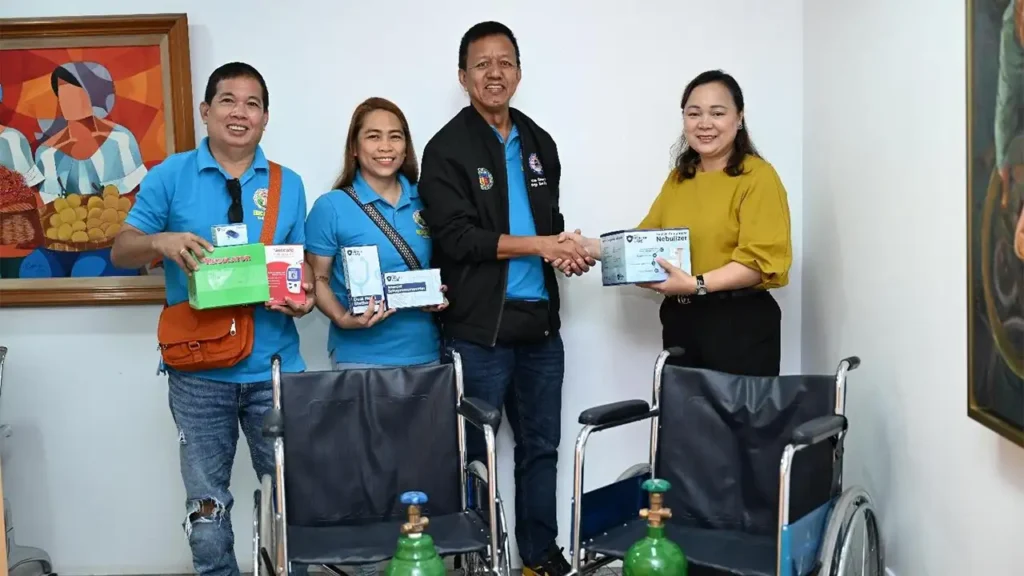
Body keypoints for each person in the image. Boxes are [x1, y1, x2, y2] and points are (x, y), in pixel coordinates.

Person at [110, 62, 315, 576]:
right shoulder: (170, 175)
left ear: (265, 117)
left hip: (275, 369)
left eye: (252, 104)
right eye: (227, 100)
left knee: (296, 497)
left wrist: (304, 298)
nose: (239, 113)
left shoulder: (288, 184)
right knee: (207, 507)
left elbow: (301, 270)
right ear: (206, 110)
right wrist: (160, 242)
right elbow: (121, 249)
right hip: (198, 373)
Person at [417, 21, 593, 576]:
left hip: (539, 327)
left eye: (505, 62)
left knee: (541, 448)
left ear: (519, 71)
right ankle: (475, 559)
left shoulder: (539, 142)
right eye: (482, 64)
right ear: (463, 76)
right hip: (478, 333)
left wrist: (564, 251)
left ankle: (539, 556)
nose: (495, 73)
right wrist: (541, 244)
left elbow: (548, 223)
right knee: (474, 455)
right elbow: (458, 239)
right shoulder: (446, 149)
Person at [563, 70, 792, 377]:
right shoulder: (680, 179)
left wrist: (696, 284)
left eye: (717, 113)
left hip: (740, 325)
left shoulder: (759, 177)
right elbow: (644, 242)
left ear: (739, 118)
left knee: (736, 411)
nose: (704, 123)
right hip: (682, 322)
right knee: (680, 408)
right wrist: (586, 246)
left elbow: (759, 263)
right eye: (694, 113)